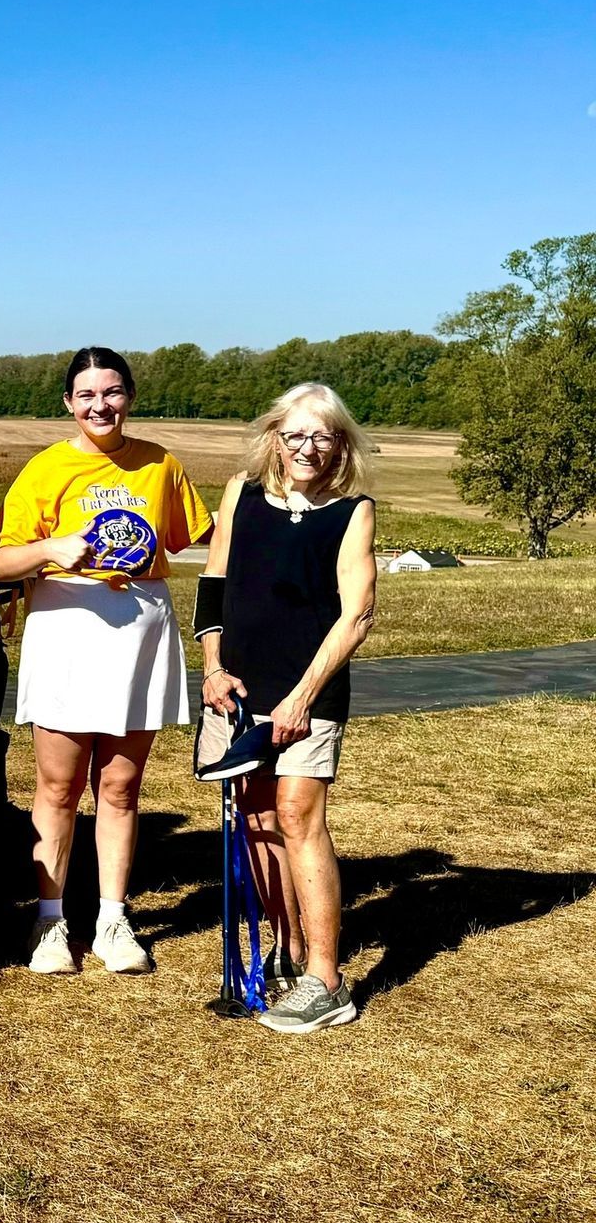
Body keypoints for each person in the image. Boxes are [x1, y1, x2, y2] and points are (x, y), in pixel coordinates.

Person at [0, 346, 213, 978]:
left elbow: (195, 535)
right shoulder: (46, 468)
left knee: (119, 786)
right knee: (57, 786)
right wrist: (52, 547)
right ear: (68, 403)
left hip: (139, 631)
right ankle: (51, 919)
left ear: (130, 397)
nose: (100, 405)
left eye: (111, 393)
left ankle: (113, 917)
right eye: (86, 395)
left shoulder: (159, 465)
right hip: (66, 625)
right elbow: (1, 562)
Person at [196, 383, 376, 1033]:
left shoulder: (352, 511)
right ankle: (289, 946)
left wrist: (301, 697)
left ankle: (326, 980)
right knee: (258, 817)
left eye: (321, 436)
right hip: (239, 688)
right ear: (275, 436)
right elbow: (212, 584)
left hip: (311, 690)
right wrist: (212, 669)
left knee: (299, 814)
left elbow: (356, 615)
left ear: (339, 444)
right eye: (295, 434)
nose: (307, 447)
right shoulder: (241, 494)